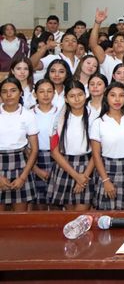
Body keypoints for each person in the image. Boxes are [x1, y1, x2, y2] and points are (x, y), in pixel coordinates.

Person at [89, 82, 124, 210]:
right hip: (108, 171)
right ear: (106, 97)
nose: (117, 99)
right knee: (109, 213)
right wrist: (106, 180)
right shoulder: (99, 122)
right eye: (113, 95)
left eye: (121, 95)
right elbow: (96, 155)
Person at [47, 81, 94, 211]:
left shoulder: (94, 117)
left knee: (82, 213)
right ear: (66, 99)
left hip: (87, 167)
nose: (77, 99)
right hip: (65, 167)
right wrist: (76, 176)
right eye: (72, 96)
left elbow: (97, 151)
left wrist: (83, 177)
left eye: (80, 94)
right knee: (69, 214)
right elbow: (54, 151)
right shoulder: (58, 118)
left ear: (86, 95)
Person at [0, 77, 39, 211]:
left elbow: (34, 150)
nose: (9, 95)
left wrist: (23, 177)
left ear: (21, 92)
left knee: (19, 217)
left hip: (21, 165)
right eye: (4, 91)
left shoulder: (28, 115)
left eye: (13, 90)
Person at [31, 79, 60, 209]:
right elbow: (25, 145)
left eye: (49, 91)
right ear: (35, 94)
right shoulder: (29, 114)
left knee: (57, 202)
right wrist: (36, 169)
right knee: (39, 203)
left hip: (58, 157)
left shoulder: (61, 113)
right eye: (41, 91)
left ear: (54, 93)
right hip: (35, 158)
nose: (46, 95)